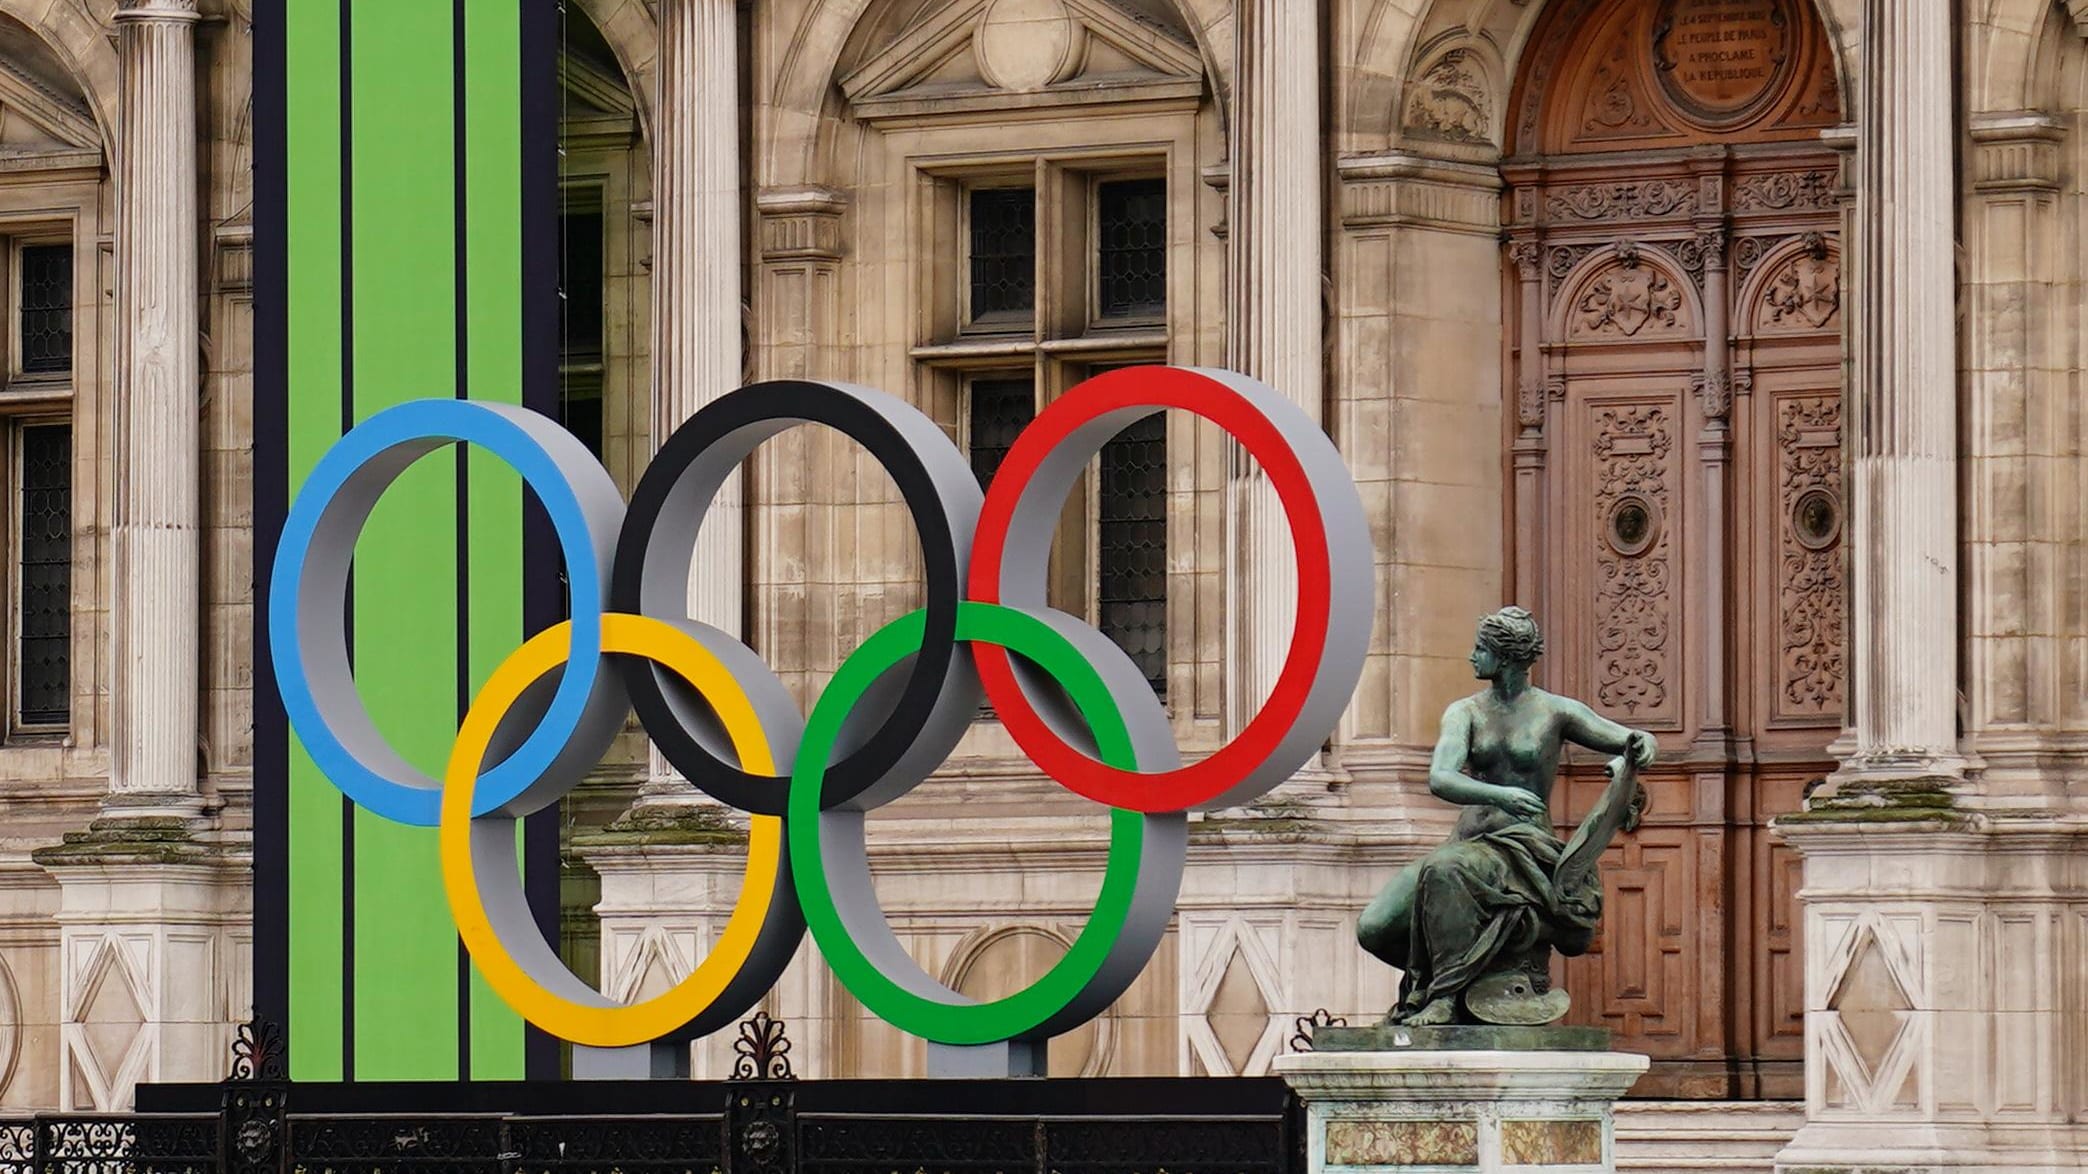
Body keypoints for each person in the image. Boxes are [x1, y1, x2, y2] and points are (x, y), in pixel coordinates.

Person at [1356, 606, 1654, 1026]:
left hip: (1525, 846)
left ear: (1507, 656)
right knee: (1374, 926)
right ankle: (1454, 977)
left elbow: (1630, 739)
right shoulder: (1466, 712)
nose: (1472, 656)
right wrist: (1501, 795)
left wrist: (1641, 747)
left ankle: (1445, 995)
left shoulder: (1556, 711)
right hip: (1471, 841)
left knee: (1444, 871)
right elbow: (1440, 778)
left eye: (1481, 648)